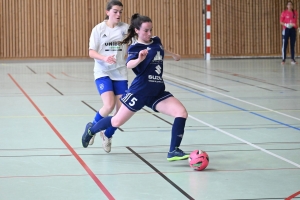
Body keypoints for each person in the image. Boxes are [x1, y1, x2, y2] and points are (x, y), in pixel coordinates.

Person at [82, 13, 189, 161]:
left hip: (156, 91)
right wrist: (139, 58)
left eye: (150, 29)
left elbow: (160, 49)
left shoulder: (156, 41)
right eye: (146, 30)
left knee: (181, 113)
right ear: (137, 30)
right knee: (116, 121)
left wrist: (173, 54)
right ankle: (91, 129)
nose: (149, 33)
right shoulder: (135, 48)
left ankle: (173, 151)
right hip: (139, 91)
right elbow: (129, 64)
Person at [87, 0, 129, 152]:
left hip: (120, 72)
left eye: (120, 12)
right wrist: (104, 58)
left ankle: (107, 134)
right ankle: (92, 129)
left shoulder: (126, 29)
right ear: (107, 12)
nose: (118, 14)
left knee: (121, 112)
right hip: (102, 71)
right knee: (109, 105)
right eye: (115, 11)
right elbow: (91, 52)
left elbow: (139, 42)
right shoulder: (98, 29)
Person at [280, 1, 298, 65]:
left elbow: (296, 22)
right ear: (287, 6)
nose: (290, 6)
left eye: (291, 5)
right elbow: (281, 22)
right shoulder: (284, 13)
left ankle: (292, 59)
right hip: (286, 29)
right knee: (285, 44)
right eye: (288, 5)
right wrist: (286, 24)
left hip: (293, 30)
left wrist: (296, 26)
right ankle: (283, 59)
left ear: (292, 6)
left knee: (293, 44)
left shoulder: (295, 12)